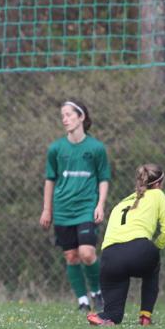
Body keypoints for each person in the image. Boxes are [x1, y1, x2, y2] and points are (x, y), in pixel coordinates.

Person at [40, 99, 111, 312]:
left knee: (87, 253)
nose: (65, 119)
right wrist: (47, 209)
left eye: (69, 114)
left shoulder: (96, 148)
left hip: (86, 208)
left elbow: (103, 178)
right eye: (62, 115)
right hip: (63, 209)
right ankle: (82, 300)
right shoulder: (56, 148)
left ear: (81, 117)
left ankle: (97, 292)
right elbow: (50, 180)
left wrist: (100, 205)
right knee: (71, 256)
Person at [87, 164, 165, 326]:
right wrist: (154, 249)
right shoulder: (157, 194)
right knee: (153, 266)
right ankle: (145, 316)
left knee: (114, 313)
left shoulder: (122, 202)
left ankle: (106, 317)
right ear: (157, 184)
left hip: (109, 257)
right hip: (139, 250)